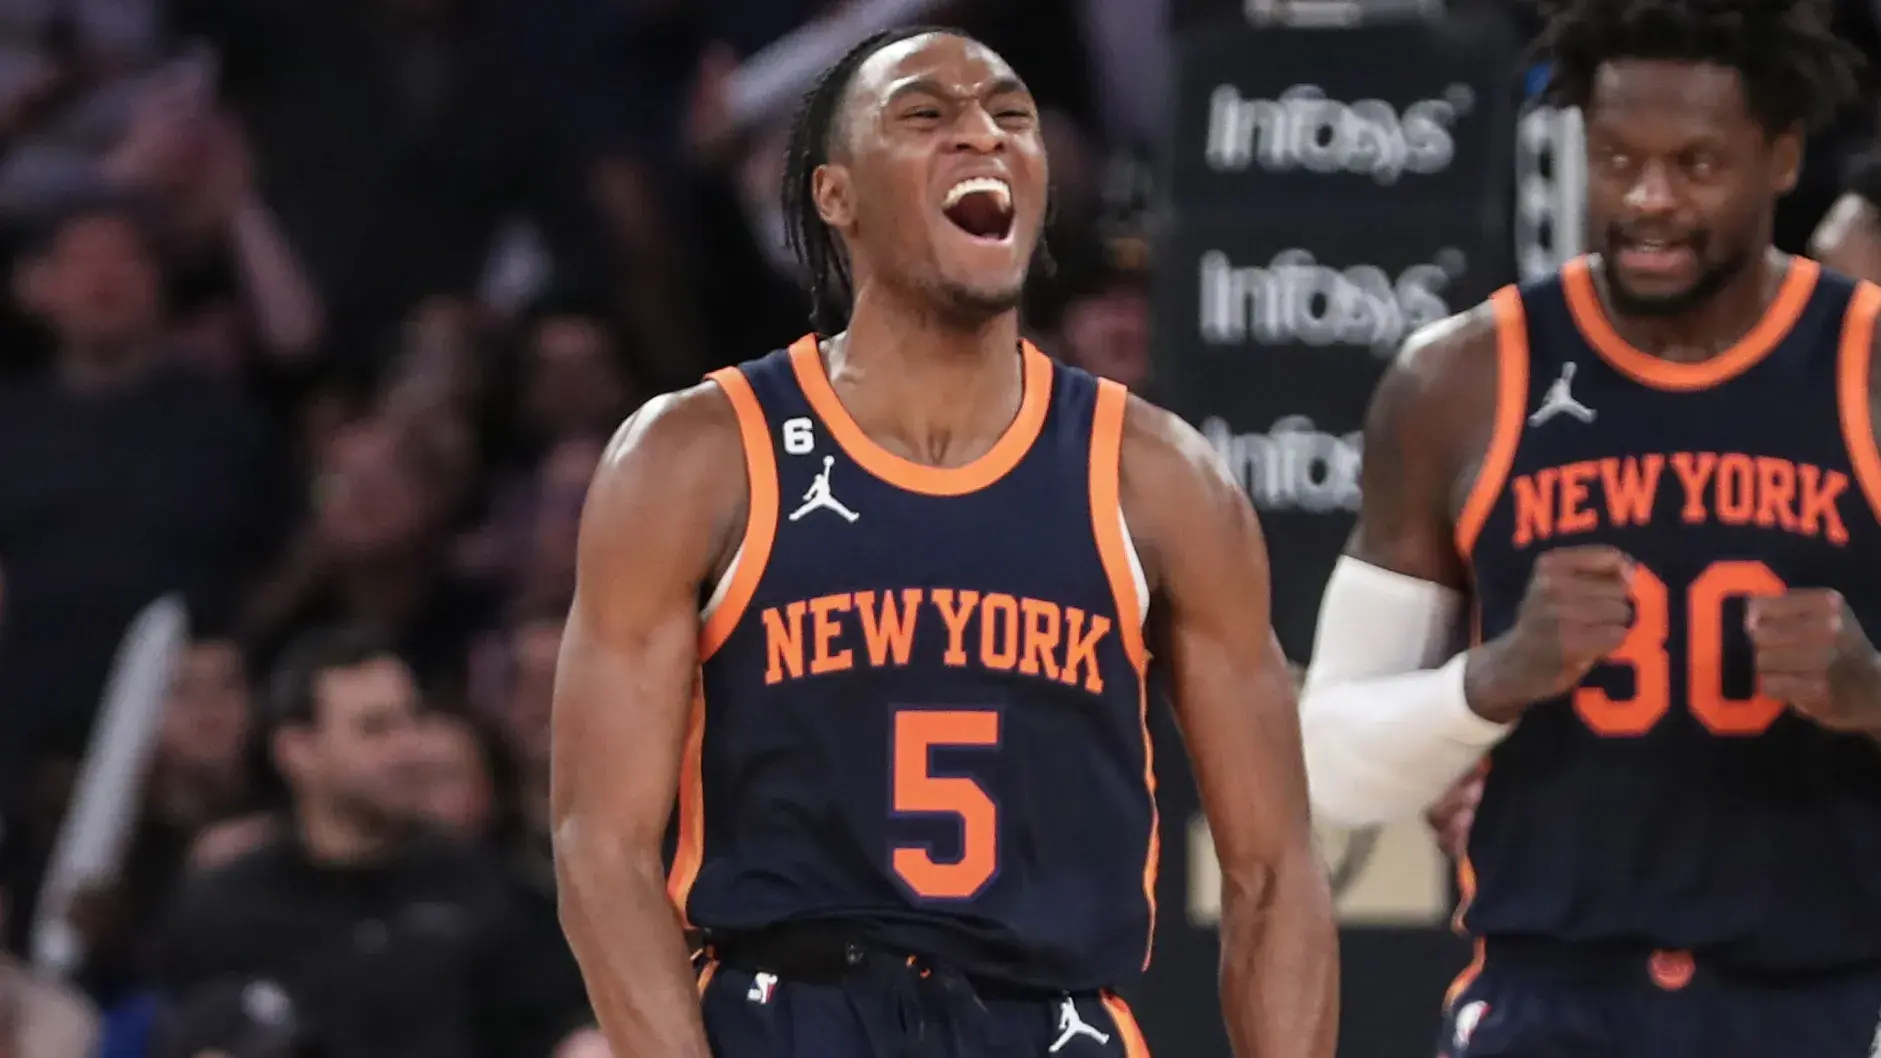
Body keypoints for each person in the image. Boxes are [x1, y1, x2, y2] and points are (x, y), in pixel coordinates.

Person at [551, 25, 1335, 1058]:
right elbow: (599, 848)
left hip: (1054, 1019)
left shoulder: (1160, 478)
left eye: (1011, 116)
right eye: (927, 115)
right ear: (835, 194)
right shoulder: (698, 454)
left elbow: (1274, 867)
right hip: (792, 1012)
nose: (985, 137)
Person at [1296, 0, 1881, 1055]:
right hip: (1548, 992)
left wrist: (1868, 693)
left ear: (1783, 157)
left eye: (1697, 164)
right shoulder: (1459, 379)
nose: (1648, 199)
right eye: (1616, 160)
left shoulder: (1865, 368)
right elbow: (1330, 759)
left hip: (1827, 991)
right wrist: (1496, 677)